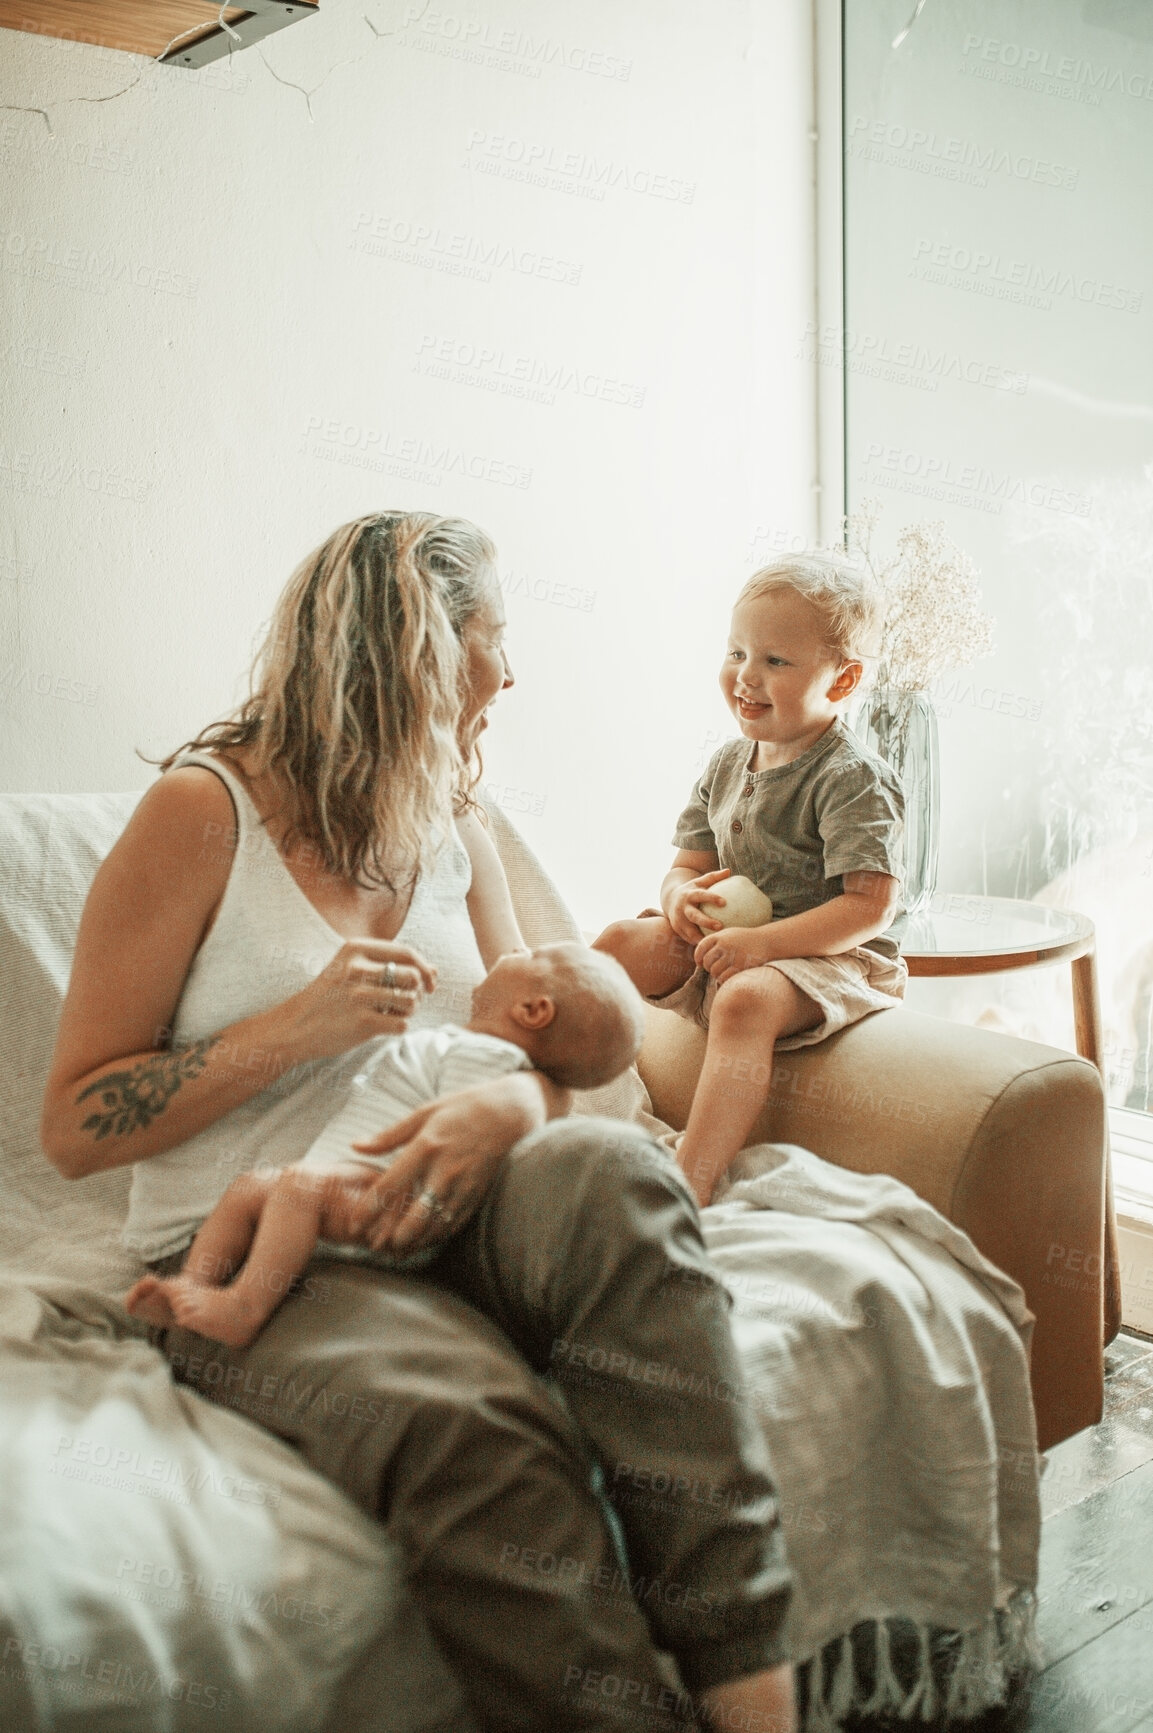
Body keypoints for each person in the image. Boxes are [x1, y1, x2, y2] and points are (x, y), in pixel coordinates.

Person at [40, 511, 795, 1733]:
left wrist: (510, 1101)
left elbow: (552, 1040)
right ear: (421, 649)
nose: (511, 673)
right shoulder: (200, 812)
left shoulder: (451, 812)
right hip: (273, 1238)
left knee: (616, 1177)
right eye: (497, 639)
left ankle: (760, 1707)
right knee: (467, 1419)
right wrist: (290, 1029)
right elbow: (75, 1122)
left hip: (471, 1201)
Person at [123, 943, 647, 1348]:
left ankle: (243, 1308)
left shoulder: (489, 1060)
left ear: (533, 1010)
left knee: (296, 1189)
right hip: (360, 1187)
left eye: (533, 955)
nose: (514, 951)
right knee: (249, 1188)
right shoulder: (469, 1048)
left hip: (387, 1201)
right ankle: (192, 1289)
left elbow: (460, 1144)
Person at [596, 553, 907, 1209]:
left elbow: (868, 907)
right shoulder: (728, 761)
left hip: (827, 954)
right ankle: (574, 1100)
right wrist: (679, 899)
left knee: (743, 1000)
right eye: (736, 651)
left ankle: (691, 1181)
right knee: (621, 941)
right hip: (737, 937)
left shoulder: (850, 775)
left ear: (842, 680)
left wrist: (764, 947)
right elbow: (684, 863)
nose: (745, 675)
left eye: (775, 661)